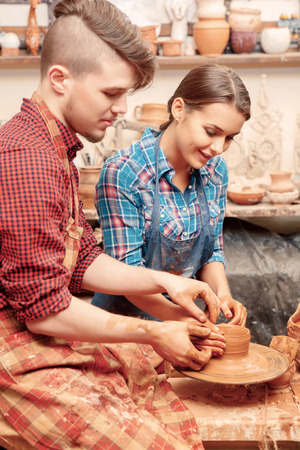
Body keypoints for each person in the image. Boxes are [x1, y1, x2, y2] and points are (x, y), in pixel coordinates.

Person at [0, 1, 228, 448]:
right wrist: (153, 328)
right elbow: (45, 311)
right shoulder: (27, 159)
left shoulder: (56, 148)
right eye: (110, 94)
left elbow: (82, 258)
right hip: (12, 342)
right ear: (59, 79)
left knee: (150, 376)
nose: (123, 108)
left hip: (34, 322)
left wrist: (166, 281)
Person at [92, 63, 250, 326]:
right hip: (122, 327)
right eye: (211, 132)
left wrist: (223, 296)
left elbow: (211, 252)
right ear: (179, 109)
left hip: (186, 321)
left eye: (230, 137)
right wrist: (189, 322)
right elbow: (128, 277)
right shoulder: (124, 173)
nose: (218, 148)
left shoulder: (215, 170)